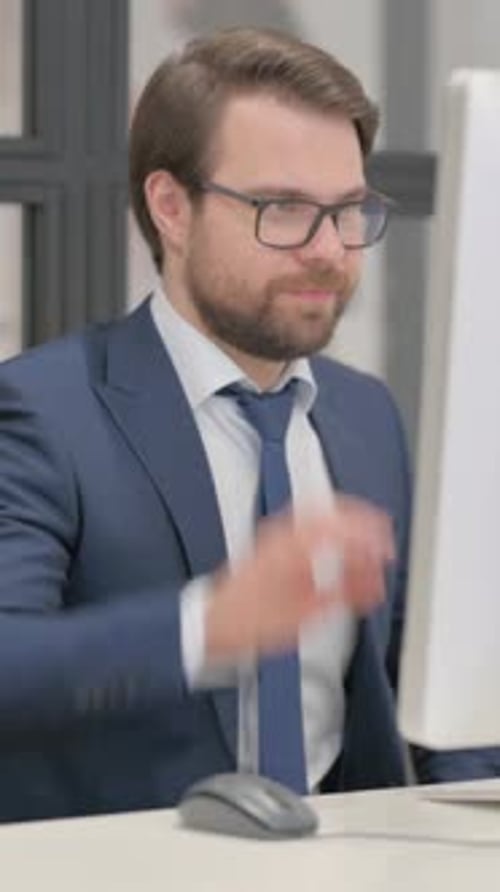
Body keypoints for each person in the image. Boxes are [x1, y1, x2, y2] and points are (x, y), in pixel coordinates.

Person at [0, 27, 497, 824]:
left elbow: (425, 695)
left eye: (348, 211)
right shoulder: (42, 412)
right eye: (285, 210)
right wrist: (211, 624)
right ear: (172, 208)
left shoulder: (367, 414)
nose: (330, 251)